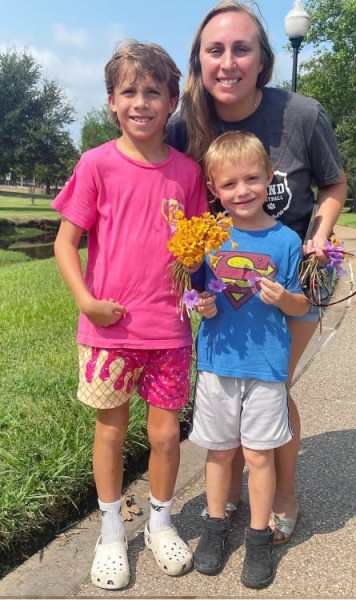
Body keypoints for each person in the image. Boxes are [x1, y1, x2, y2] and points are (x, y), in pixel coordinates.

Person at [166, 0, 348, 544]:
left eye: (241, 49)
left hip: (292, 274)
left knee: (273, 382)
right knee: (234, 390)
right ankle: (236, 489)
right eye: (214, 51)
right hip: (223, 288)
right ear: (198, 61)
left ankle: (283, 490)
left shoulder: (301, 115)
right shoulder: (185, 127)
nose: (228, 62)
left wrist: (317, 239)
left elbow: (334, 185)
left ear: (263, 60)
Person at [51, 41, 209, 589]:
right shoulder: (96, 164)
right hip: (107, 330)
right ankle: (112, 528)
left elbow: (195, 249)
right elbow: (66, 243)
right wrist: (85, 300)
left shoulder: (188, 174)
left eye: (153, 92)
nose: (141, 102)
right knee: (111, 432)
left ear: (171, 103)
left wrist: (198, 268)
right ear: (112, 102)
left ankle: (161, 521)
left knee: (166, 436)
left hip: (168, 330)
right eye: (129, 92)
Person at [190, 131, 308, 589]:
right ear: (214, 189)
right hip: (218, 362)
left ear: (269, 180)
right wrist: (201, 303)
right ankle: (216, 528)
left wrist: (284, 299)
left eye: (252, 179)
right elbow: (196, 290)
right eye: (230, 183)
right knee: (219, 451)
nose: (242, 191)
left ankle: (258, 539)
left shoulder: (286, 241)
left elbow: (302, 304)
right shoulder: (209, 236)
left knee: (260, 455)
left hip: (267, 367)